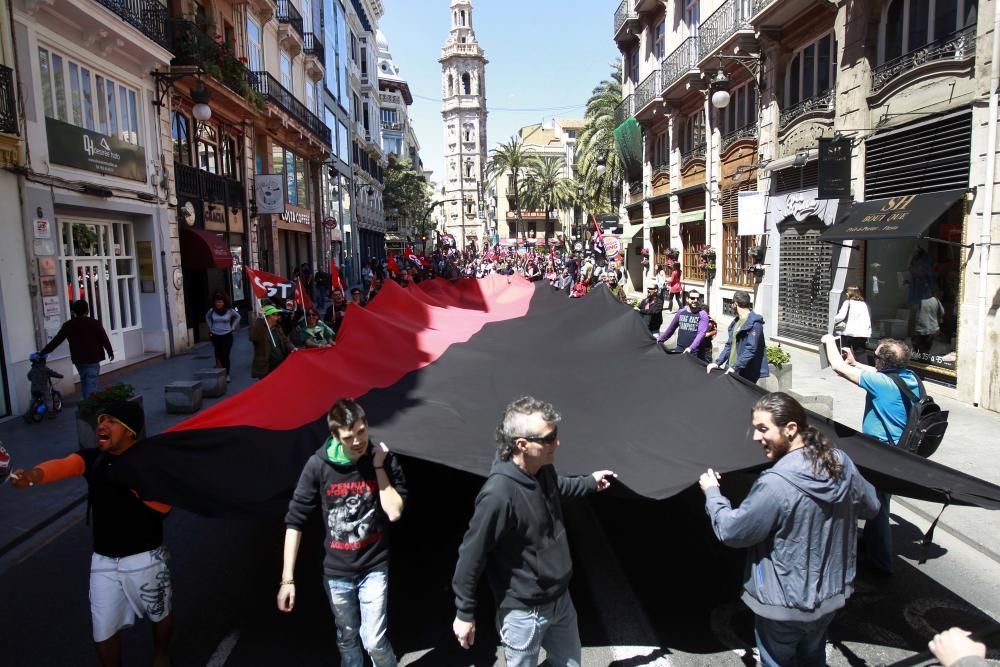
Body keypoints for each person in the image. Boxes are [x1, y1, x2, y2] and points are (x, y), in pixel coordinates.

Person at [698, 392, 880, 667]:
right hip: (830, 597)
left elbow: (734, 532)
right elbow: (871, 507)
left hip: (784, 605)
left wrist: (713, 494)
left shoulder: (775, 483)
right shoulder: (842, 463)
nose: (756, 437)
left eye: (763, 429)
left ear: (791, 428)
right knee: (813, 656)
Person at [451, 396, 616, 667]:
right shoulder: (499, 495)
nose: (557, 443)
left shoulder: (542, 469)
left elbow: (555, 487)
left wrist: (589, 482)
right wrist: (464, 613)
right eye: (548, 438)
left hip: (560, 599)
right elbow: (471, 555)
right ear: (522, 445)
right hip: (524, 614)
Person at [10, 401, 174, 667]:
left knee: (160, 612)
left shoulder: (149, 461)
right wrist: (33, 476)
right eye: (102, 420)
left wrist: (136, 486)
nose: (102, 425)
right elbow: (64, 465)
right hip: (104, 560)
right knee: (102, 629)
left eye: (111, 421)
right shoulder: (93, 458)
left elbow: (165, 507)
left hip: (146, 558)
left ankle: (161, 654)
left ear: (130, 431)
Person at [278, 399, 406, 667]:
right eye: (349, 437)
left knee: (374, 641)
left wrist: (379, 468)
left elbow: (394, 512)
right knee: (347, 637)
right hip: (337, 572)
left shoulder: (381, 458)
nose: (358, 441)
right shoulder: (318, 466)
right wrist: (287, 580)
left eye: (362, 432)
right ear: (335, 437)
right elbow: (295, 520)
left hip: (374, 566)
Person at [821, 335, 920, 577]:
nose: (873, 360)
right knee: (875, 501)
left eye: (876, 357)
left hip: (880, 452)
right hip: (898, 450)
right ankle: (866, 546)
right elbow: (880, 373)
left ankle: (880, 563)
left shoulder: (882, 383)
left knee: (876, 505)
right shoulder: (910, 378)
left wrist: (828, 342)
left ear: (882, 363)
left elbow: (837, 367)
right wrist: (856, 363)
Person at [40, 298, 114, 398]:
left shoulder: (68, 325)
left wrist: (44, 352)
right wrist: (110, 352)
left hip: (78, 359)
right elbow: (104, 339)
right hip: (93, 358)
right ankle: (90, 407)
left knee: (84, 381)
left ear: (73, 311)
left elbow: (56, 341)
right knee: (91, 383)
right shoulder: (94, 323)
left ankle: (85, 406)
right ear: (87, 310)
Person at [707, 291, 769, 383]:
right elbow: (729, 345)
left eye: (732, 303)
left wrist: (735, 367)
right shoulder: (736, 322)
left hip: (745, 372)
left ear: (735, 304)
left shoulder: (755, 323)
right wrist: (717, 362)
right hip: (731, 368)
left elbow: (751, 349)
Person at [657, 288, 710, 358]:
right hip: (679, 349)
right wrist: (660, 340)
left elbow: (701, 334)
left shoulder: (703, 314)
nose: (695, 300)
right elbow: (671, 328)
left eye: (698, 298)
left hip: (695, 352)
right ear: (687, 299)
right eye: (692, 298)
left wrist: (691, 348)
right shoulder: (681, 312)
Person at [249, 305, 296, 379]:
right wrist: (260, 318)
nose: (278, 317)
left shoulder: (277, 328)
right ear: (268, 316)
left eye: (277, 315)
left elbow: (286, 341)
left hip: (281, 365)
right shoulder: (259, 328)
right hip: (266, 368)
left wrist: (293, 348)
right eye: (275, 315)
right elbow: (253, 337)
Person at [205, 292, 240, 383]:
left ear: (224, 302)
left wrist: (233, 327)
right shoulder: (212, 310)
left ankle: (227, 374)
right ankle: (220, 372)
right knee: (218, 355)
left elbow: (238, 317)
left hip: (227, 335)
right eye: (217, 302)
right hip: (215, 335)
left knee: (225, 354)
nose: (218, 304)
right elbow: (207, 317)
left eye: (220, 302)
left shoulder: (229, 311)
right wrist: (210, 326)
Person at [834, 286, 872, 365]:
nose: (847, 293)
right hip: (862, 333)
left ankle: (845, 368)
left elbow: (841, 316)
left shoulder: (847, 302)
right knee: (860, 352)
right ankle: (863, 368)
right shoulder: (864, 304)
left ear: (851, 293)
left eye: (848, 292)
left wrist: (834, 319)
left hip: (848, 332)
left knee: (845, 351)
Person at [27, 352, 63, 417]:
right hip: (43, 388)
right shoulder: (45, 369)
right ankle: (51, 413)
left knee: (33, 399)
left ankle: (28, 413)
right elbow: (53, 373)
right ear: (42, 360)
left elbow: (29, 377)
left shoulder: (32, 369)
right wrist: (60, 376)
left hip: (34, 388)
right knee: (48, 399)